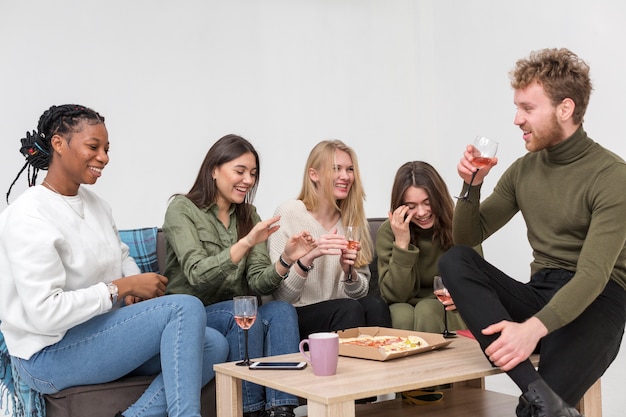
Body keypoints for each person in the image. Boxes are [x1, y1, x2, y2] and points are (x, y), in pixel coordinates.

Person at [0, 104, 229, 417]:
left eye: (106, 149)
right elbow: (45, 314)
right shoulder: (28, 214)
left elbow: (120, 255)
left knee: (212, 344)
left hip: (96, 333)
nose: (104, 157)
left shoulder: (97, 205)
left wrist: (133, 286)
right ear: (58, 144)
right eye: (93, 147)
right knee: (184, 307)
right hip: (48, 354)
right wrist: (119, 288)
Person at [438, 48, 626, 417]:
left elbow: (592, 275)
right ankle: (538, 391)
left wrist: (532, 330)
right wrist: (471, 186)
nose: (516, 119)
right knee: (454, 261)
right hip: (541, 291)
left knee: (529, 415)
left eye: (527, 108)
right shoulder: (524, 170)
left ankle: (539, 403)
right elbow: (467, 237)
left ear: (565, 109)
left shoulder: (612, 176)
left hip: (598, 301)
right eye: (516, 107)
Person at [162, 134, 316, 417]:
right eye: (240, 171)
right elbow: (196, 274)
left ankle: (282, 409)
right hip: (194, 312)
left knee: (281, 310)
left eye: (253, 174)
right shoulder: (182, 209)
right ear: (214, 170)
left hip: (235, 308)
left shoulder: (248, 214)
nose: (248, 180)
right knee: (245, 313)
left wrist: (287, 259)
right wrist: (245, 242)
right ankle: (250, 411)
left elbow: (257, 280)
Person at [267, 140, 392, 340]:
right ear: (313, 175)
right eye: (336, 169)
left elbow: (359, 293)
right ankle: (348, 371)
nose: (346, 176)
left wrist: (348, 271)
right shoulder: (289, 213)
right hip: (299, 314)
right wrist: (308, 258)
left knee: (376, 306)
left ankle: (385, 368)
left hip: (344, 310)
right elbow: (282, 297)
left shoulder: (353, 219)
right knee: (348, 309)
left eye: (350, 169)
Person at [376, 161, 471, 333]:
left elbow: (476, 280)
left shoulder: (459, 224)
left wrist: (463, 296)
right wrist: (402, 244)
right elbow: (394, 296)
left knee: (428, 309)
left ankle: (441, 360)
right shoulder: (388, 232)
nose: (421, 212)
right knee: (400, 314)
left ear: (439, 198)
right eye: (411, 207)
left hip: (448, 304)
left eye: (427, 203)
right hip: (405, 302)